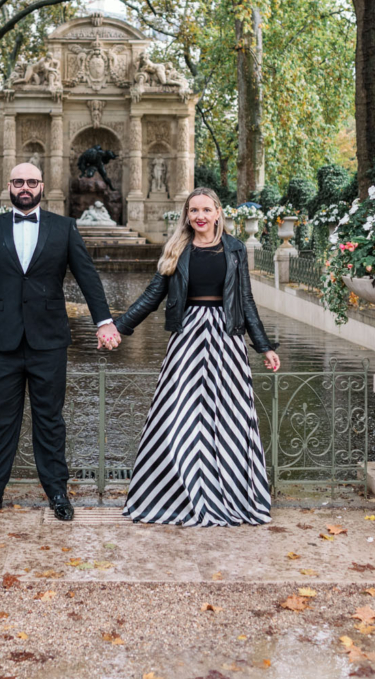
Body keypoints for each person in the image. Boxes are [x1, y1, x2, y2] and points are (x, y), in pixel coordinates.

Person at [0, 162, 120, 522]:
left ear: (42, 186)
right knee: (1, 420)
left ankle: (57, 491)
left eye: (32, 182)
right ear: (9, 187)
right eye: (19, 182)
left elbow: (88, 278)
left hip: (49, 340)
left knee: (50, 419)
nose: (25, 187)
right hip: (2, 340)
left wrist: (104, 322)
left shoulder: (65, 228)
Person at [114, 187, 280, 527]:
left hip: (226, 339)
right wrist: (119, 327)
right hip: (188, 337)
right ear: (186, 215)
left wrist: (264, 345)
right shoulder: (177, 249)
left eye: (206, 209)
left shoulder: (234, 249)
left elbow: (245, 300)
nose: (199, 216)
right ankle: (173, 496)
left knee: (231, 419)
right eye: (193, 211)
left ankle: (230, 495)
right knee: (176, 415)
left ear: (218, 212)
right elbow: (152, 296)